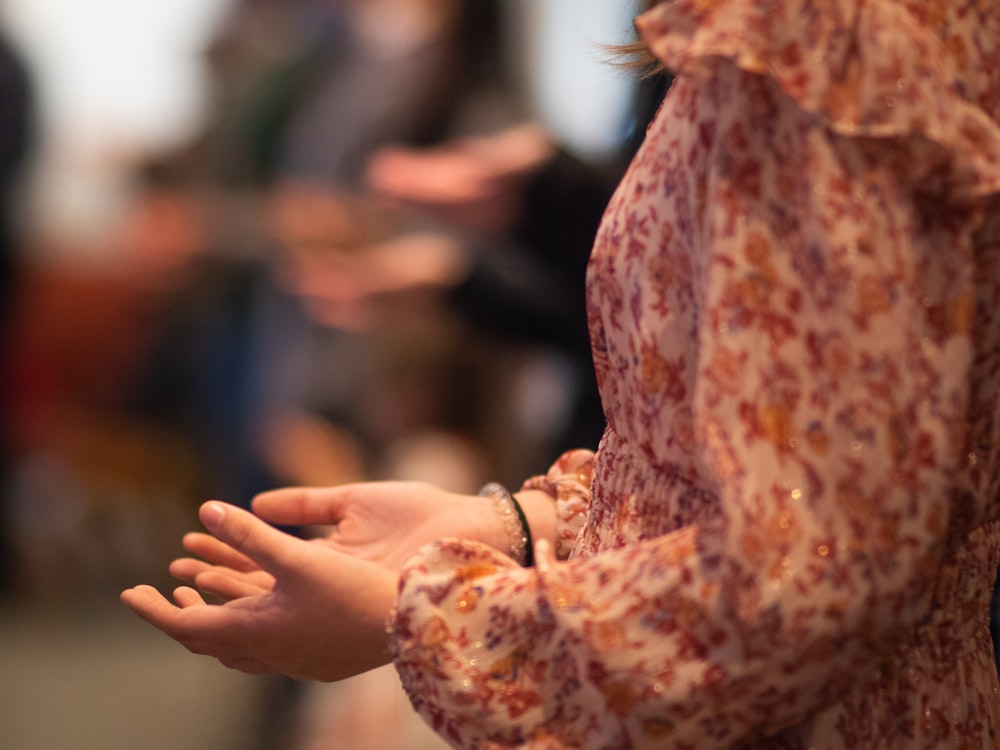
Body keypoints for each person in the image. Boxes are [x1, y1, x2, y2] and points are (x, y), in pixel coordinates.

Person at [122, 1, 1000, 747]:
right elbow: (735, 468)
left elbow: (811, 573)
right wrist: (515, 523)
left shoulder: (826, 33)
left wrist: (422, 618)